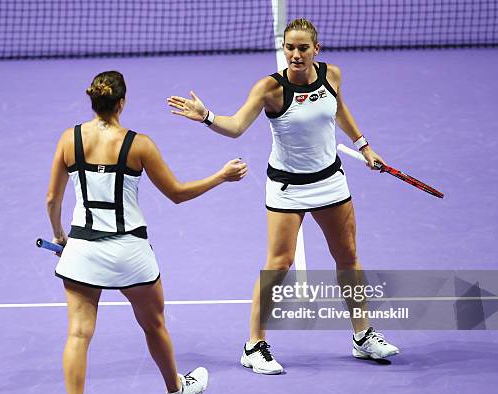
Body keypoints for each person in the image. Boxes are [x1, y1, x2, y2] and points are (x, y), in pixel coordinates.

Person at [167, 18, 399, 375]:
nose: (295, 54)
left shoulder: (332, 75)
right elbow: (237, 126)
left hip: (330, 182)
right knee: (279, 264)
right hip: (287, 187)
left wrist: (364, 146)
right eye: (290, 47)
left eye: (303, 48)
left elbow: (339, 109)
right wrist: (207, 117)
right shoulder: (269, 89)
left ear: (315, 50)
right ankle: (254, 345)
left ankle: (362, 336)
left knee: (348, 258)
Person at [46, 70, 248, 394]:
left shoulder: (67, 140)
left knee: (77, 335)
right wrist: (221, 176)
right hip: (129, 254)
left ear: (94, 102)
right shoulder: (140, 146)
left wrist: (60, 235)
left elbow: (51, 200)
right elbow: (177, 194)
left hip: (83, 252)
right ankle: (175, 389)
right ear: (122, 103)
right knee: (154, 324)